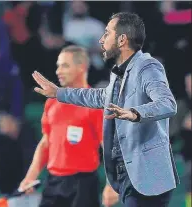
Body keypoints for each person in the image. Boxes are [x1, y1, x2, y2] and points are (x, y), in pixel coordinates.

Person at [32, 12, 179, 207]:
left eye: (107, 34)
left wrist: (135, 113)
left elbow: (167, 103)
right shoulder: (119, 73)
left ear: (122, 39)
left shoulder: (147, 66)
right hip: (127, 176)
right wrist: (59, 93)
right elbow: (99, 97)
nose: (101, 40)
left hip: (147, 175)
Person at [19, 45, 112, 207]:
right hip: (53, 181)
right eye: (58, 66)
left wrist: (112, 185)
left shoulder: (94, 104)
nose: (58, 71)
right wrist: (31, 176)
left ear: (81, 67)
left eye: (65, 66)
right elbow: (46, 142)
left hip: (83, 184)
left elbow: (109, 147)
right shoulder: (52, 102)